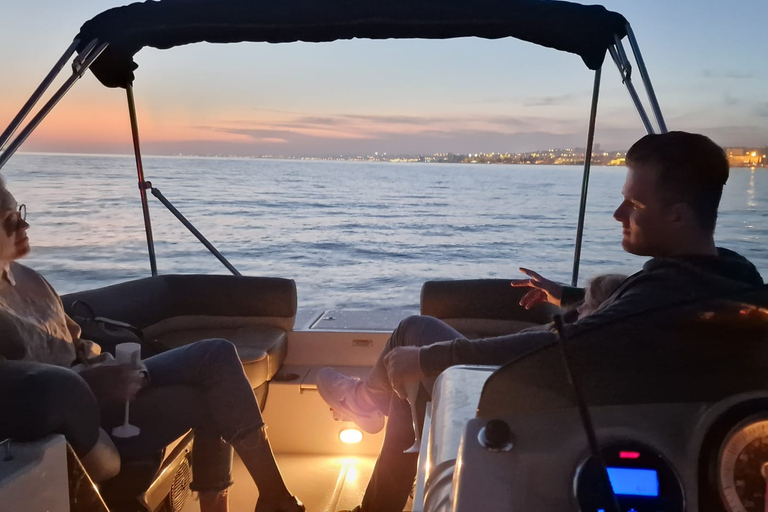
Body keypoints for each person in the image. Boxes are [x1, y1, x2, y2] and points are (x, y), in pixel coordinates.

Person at [316, 131, 765, 512]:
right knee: (413, 357)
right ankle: (371, 426)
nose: (618, 215)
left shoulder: (655, 299)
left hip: (539, 402)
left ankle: (364, 408)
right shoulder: (734, 276)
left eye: (634, 204)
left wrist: (431, 359)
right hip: (602, 396)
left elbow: (564, 343)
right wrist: (568, 296)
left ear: (678, 215)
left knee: (413, 339)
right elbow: (633, 308)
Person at [0, 179, 303, 512]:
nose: (24, 224)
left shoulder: (28, 278)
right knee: (212, 389)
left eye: (20, 212)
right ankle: (276, 501)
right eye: (9, 220)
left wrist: (106, 364)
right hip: (82, 412)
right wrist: (90, 385)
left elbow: (74, 339)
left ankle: (272, 498)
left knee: (216, 355)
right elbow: (19, 391)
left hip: (99, 377)